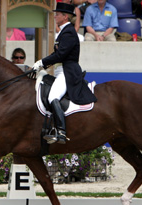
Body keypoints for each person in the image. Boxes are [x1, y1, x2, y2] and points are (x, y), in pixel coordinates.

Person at [32, 2, 97, 144]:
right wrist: (43, 65)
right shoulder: (64, 31)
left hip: (68, 72)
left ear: (65, 16)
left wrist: (41, 62)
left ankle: (61, 131)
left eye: (58, 14)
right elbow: (58, 54)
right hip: (61, 70)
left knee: (52, 96)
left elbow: (60, 55)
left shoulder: (68, 32)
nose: (55, 16)